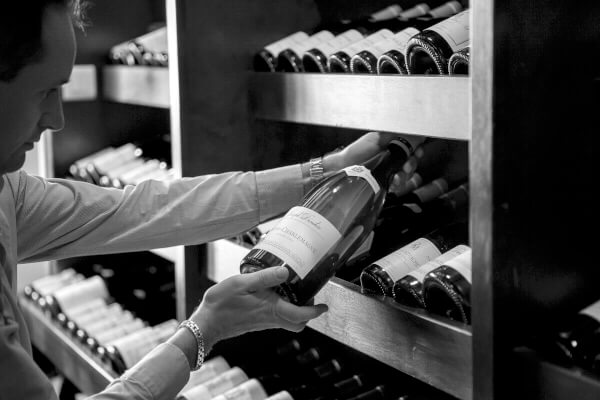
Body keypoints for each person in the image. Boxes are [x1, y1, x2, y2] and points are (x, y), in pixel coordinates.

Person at [0, 1, 422, 399]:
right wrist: (201, 332)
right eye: (45, 91)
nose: (56, 118)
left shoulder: (5, 192)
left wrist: (325, 170)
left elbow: (144, 209)